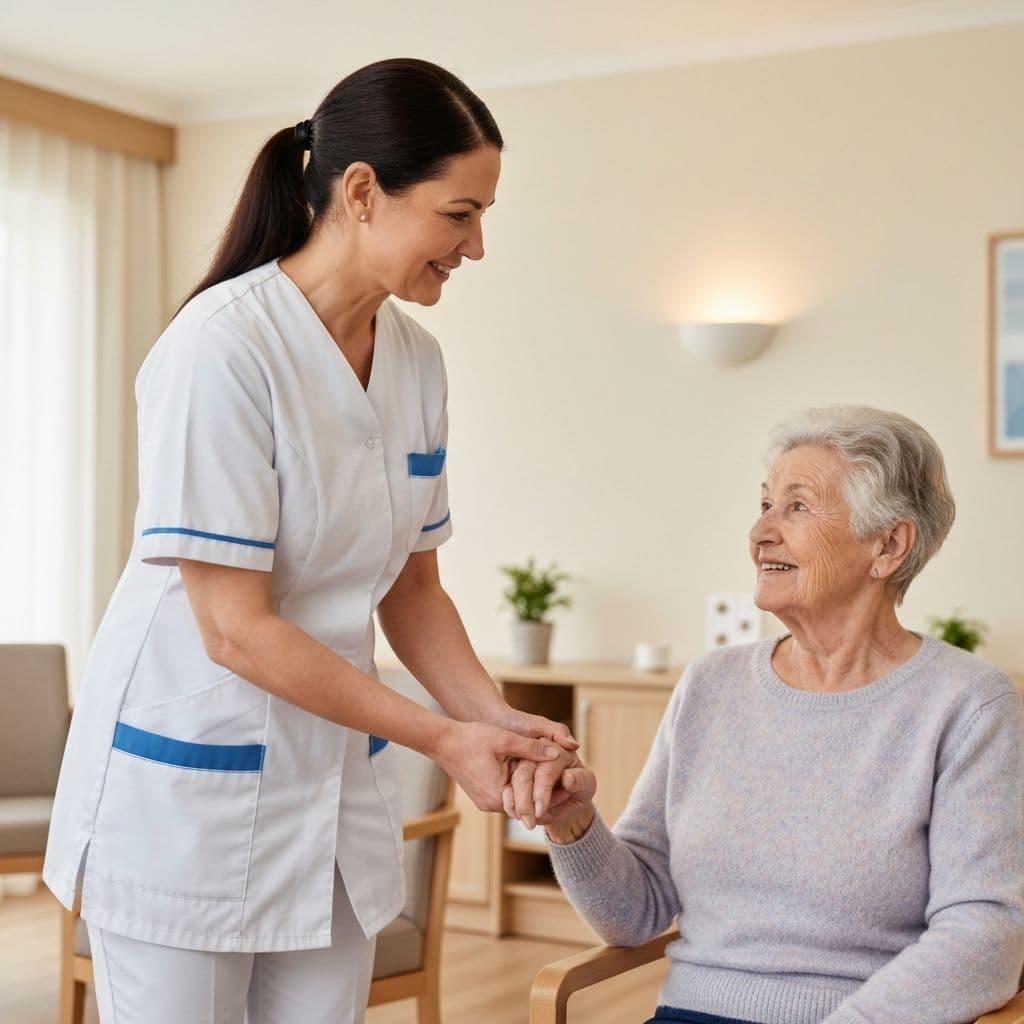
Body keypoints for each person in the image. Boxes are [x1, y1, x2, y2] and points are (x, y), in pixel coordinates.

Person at [43, 58, 574, 1024]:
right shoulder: (222, 350)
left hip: (328, 799)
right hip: (187, 800)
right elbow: (234, 629)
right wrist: (446, 737)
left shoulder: (415, 361)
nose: (477, 245)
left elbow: (414, 592)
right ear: (363, 192)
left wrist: (492, 721)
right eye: (458, 214)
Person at [509, 406, 1024, 1024]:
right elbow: (635, 912)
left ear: (887, 545)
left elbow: (985, 937)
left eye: (797, 506)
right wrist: (573, 825)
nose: (760, 534)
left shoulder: (969, 706)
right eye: (764, 505)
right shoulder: (710, 686)